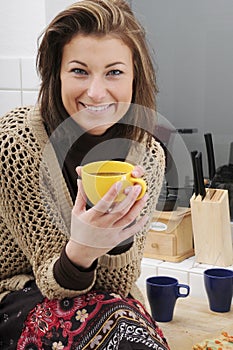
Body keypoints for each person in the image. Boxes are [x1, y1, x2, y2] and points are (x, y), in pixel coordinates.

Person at [0, 1, 169, 349]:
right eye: (79, 71)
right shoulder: (16, 142)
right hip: (17, 292)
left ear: (136, 76)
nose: (95, 92)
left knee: (123, 325)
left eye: (114, 72)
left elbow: (118, 282)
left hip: (105, 299)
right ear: (56, 74)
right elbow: (53, 282)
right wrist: (82, 247)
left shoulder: (147, 155)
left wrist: (117, 233)